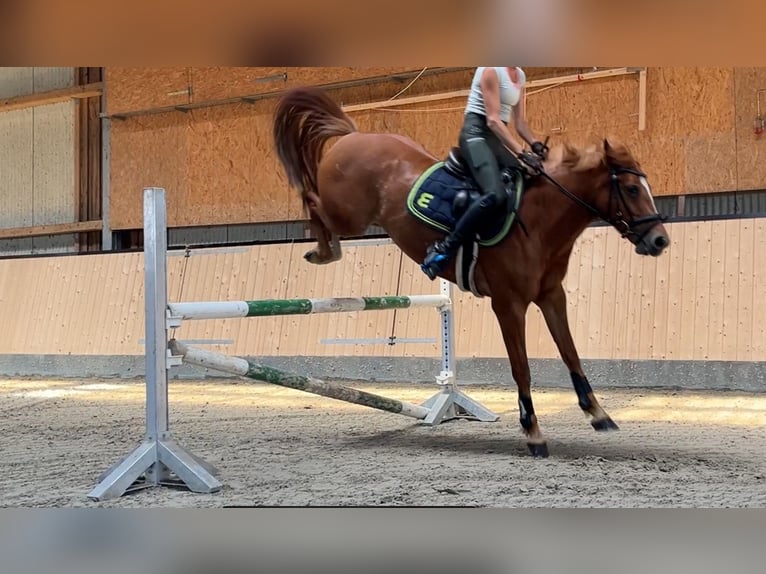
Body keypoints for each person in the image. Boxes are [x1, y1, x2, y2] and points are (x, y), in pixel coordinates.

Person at [421, 66, 549, 280]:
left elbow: (520, 122)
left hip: (496, 139)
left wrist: (536, 145)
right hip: (476, 135)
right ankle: (444, 248)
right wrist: (521, 153)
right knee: (495, 194)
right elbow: (492, 119)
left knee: (529, 178)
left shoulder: (521, 75)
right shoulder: (491, 70)